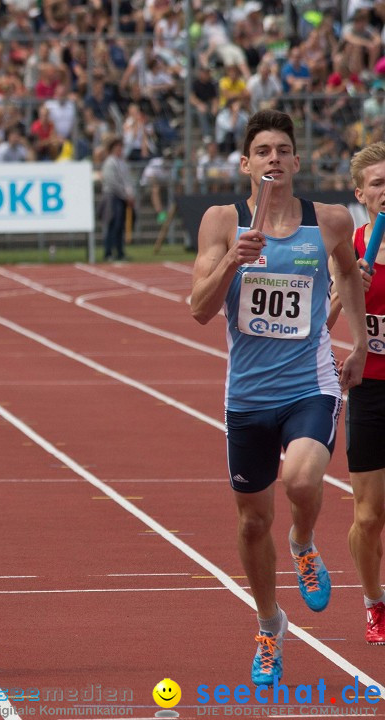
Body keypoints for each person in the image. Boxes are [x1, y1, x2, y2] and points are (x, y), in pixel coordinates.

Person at [190, 109, 369, 685]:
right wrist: (230, 264)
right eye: (262, 150)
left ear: (296, 162)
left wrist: (360, 341)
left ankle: (304, 541)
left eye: (282, 150)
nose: (273, 158)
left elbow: (347, 274)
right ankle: (270, 624)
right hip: (246, 396)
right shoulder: (222, 221)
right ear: (246, 164)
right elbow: (197, 309)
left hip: (308, 386)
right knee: (249, 524)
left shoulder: (332, 221)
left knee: (301, 479)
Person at [325, 142, 385, 645]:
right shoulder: (351, 249)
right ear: (361, 193)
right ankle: (373, 602)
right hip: (371, 391)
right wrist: (351, 283)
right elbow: (318, 324)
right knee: (368, 517)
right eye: (379, 183)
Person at [100, 135, 134, 261]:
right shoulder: (110, 162)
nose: (120, 149)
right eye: (117, 147)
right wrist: (125, 195)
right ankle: (108, 252)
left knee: (120, 226)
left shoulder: (122, 163)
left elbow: (128, 180)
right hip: (112, 197)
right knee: (112, 225)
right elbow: (112, 182)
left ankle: (120, 252)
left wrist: (130, 194)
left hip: (122, 198)